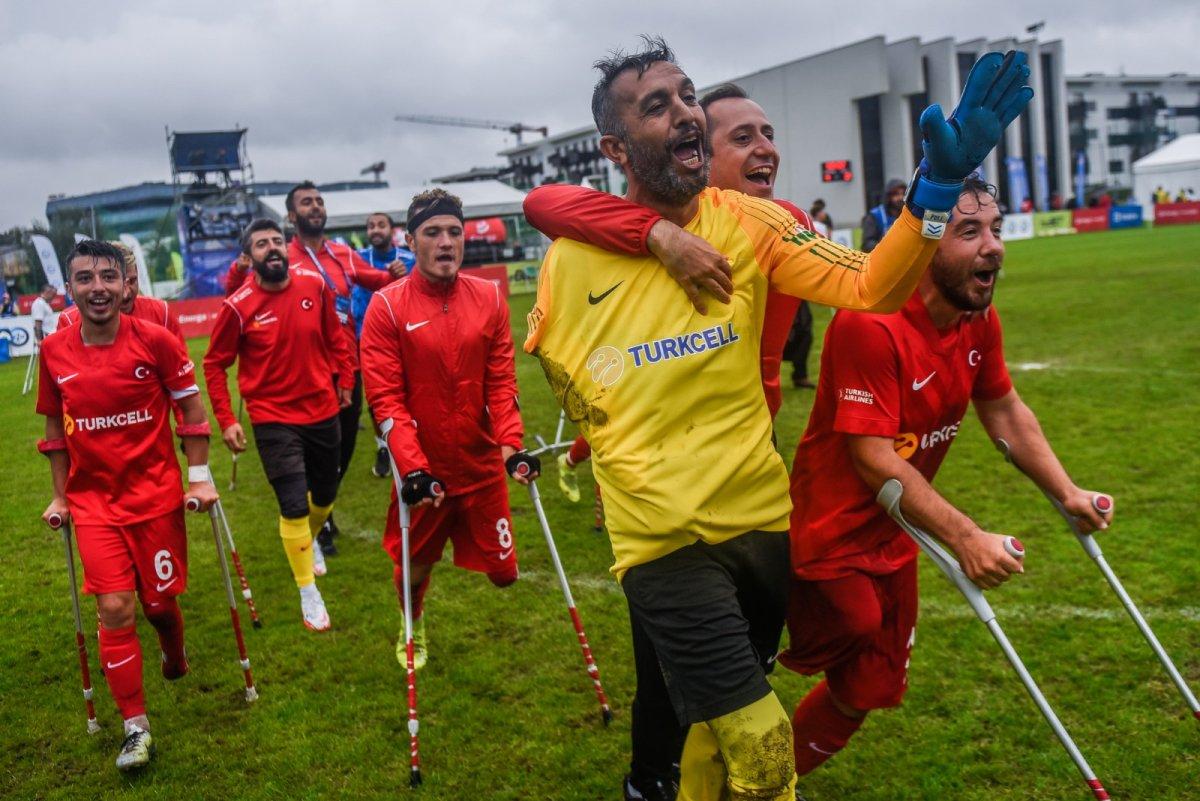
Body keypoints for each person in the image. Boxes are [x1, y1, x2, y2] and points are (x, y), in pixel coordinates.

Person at [524, 36, 1029, 801]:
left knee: (707, 729)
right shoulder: (572, 257)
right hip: (661, 537)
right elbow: (561, 366)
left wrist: (937, 189)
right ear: (615, 148)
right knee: (762, 747)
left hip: (760, 521)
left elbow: (870, 287)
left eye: (688, 95)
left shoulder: (754, 223)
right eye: (656, 106)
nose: (684, 113)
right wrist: (653, 244)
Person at [525, 79, 817, 798]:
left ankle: (675, 775)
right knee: (672, 669)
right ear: (695, 157)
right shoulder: (624, 228)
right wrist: (655, 232)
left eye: (767, 134)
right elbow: (543, 203)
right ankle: (648, 777)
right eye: (740, 138)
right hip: (664, 499)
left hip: (749, 474)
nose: (765, 151)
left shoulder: (771, 223)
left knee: (720, 677)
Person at [780, 178, 1110, 785]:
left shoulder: (976, 319)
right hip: (827, 533)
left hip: (897, 532)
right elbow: (873, 457)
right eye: (969, 232)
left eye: (996, 228)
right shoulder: (870, 323)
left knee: (866, 691)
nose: (994, 247)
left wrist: (1067, 492)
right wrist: (966, 538)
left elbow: (1005, 409)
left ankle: (760, 784)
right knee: (841, 630)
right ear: (924, 246)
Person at [37, 239, 218, 771]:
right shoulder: (54, 352)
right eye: (85, 279)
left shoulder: (157, 341)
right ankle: (135, 727)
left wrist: (200, 477)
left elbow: (190, 409)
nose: (98, 288)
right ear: (69, 288)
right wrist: (59, 494)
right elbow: (54, 431)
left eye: (107, 277)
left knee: (160, 607)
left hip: (156, 497)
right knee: (115, 607)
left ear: (125, 284)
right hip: (94, 504)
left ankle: (174, 653)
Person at [360, 189, 538, 670]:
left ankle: (447, 582)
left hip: (480, 467)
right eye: (433, 233)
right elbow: (386, 400)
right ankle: (411, 622)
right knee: (413, 570)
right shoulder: (387, 307)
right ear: (410, 240)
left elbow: (501, 384)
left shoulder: (489, 298)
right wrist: (413, 469)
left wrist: (512, 447)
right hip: (425, 474)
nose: (445, 242)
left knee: (505, 574)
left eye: (454, 232)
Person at [224, 182, 403, 558]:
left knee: (342, 446)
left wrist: (395, 271)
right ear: (292, 216)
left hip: (344, 364)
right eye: (307, 202)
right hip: (298, 371)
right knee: (302, 454)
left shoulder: (342, 255)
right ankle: (315, 524)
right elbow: (238, 298)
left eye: (320, 201)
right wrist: (236, 272)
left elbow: (379, 279)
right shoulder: (276, 254)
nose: (316, 207)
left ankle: (321, 510)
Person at [203, 219, 355, 631]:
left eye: (276, 242)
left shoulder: (314, 285)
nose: (271, 249)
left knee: (325, 495)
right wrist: (227, 419)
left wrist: (346, 379)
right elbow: (215, 364)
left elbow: (335, 337)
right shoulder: (238, 306)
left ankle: (311, 539)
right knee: (291, 503)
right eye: (261, 244)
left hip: (322, 408)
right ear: (249, 256)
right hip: (272, 418)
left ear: (286, 248)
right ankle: (308, 591)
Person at [355, 212, 415, 480]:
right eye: (371, 226)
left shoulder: (409, 259)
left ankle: (410, 443)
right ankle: (383, 447)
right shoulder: (358, 259)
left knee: (412, 392)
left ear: (392, 230)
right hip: (368, 339)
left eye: (381, 225)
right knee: (376, 397)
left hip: (406, 337)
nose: (375, 229)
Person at [59, 243, 185, 346]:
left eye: (133, 281)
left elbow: (178, 365)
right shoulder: (70, 319)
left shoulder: (161, 312)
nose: (126, 293)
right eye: (109, 278)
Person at [860, 178, 906, 252]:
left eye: (903, 194)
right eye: (896, 194)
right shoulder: (874, 216)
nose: (901, 198)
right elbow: (867, 244)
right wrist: (885, 245)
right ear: (888, 197)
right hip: (882, 258)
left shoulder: (907, 215)